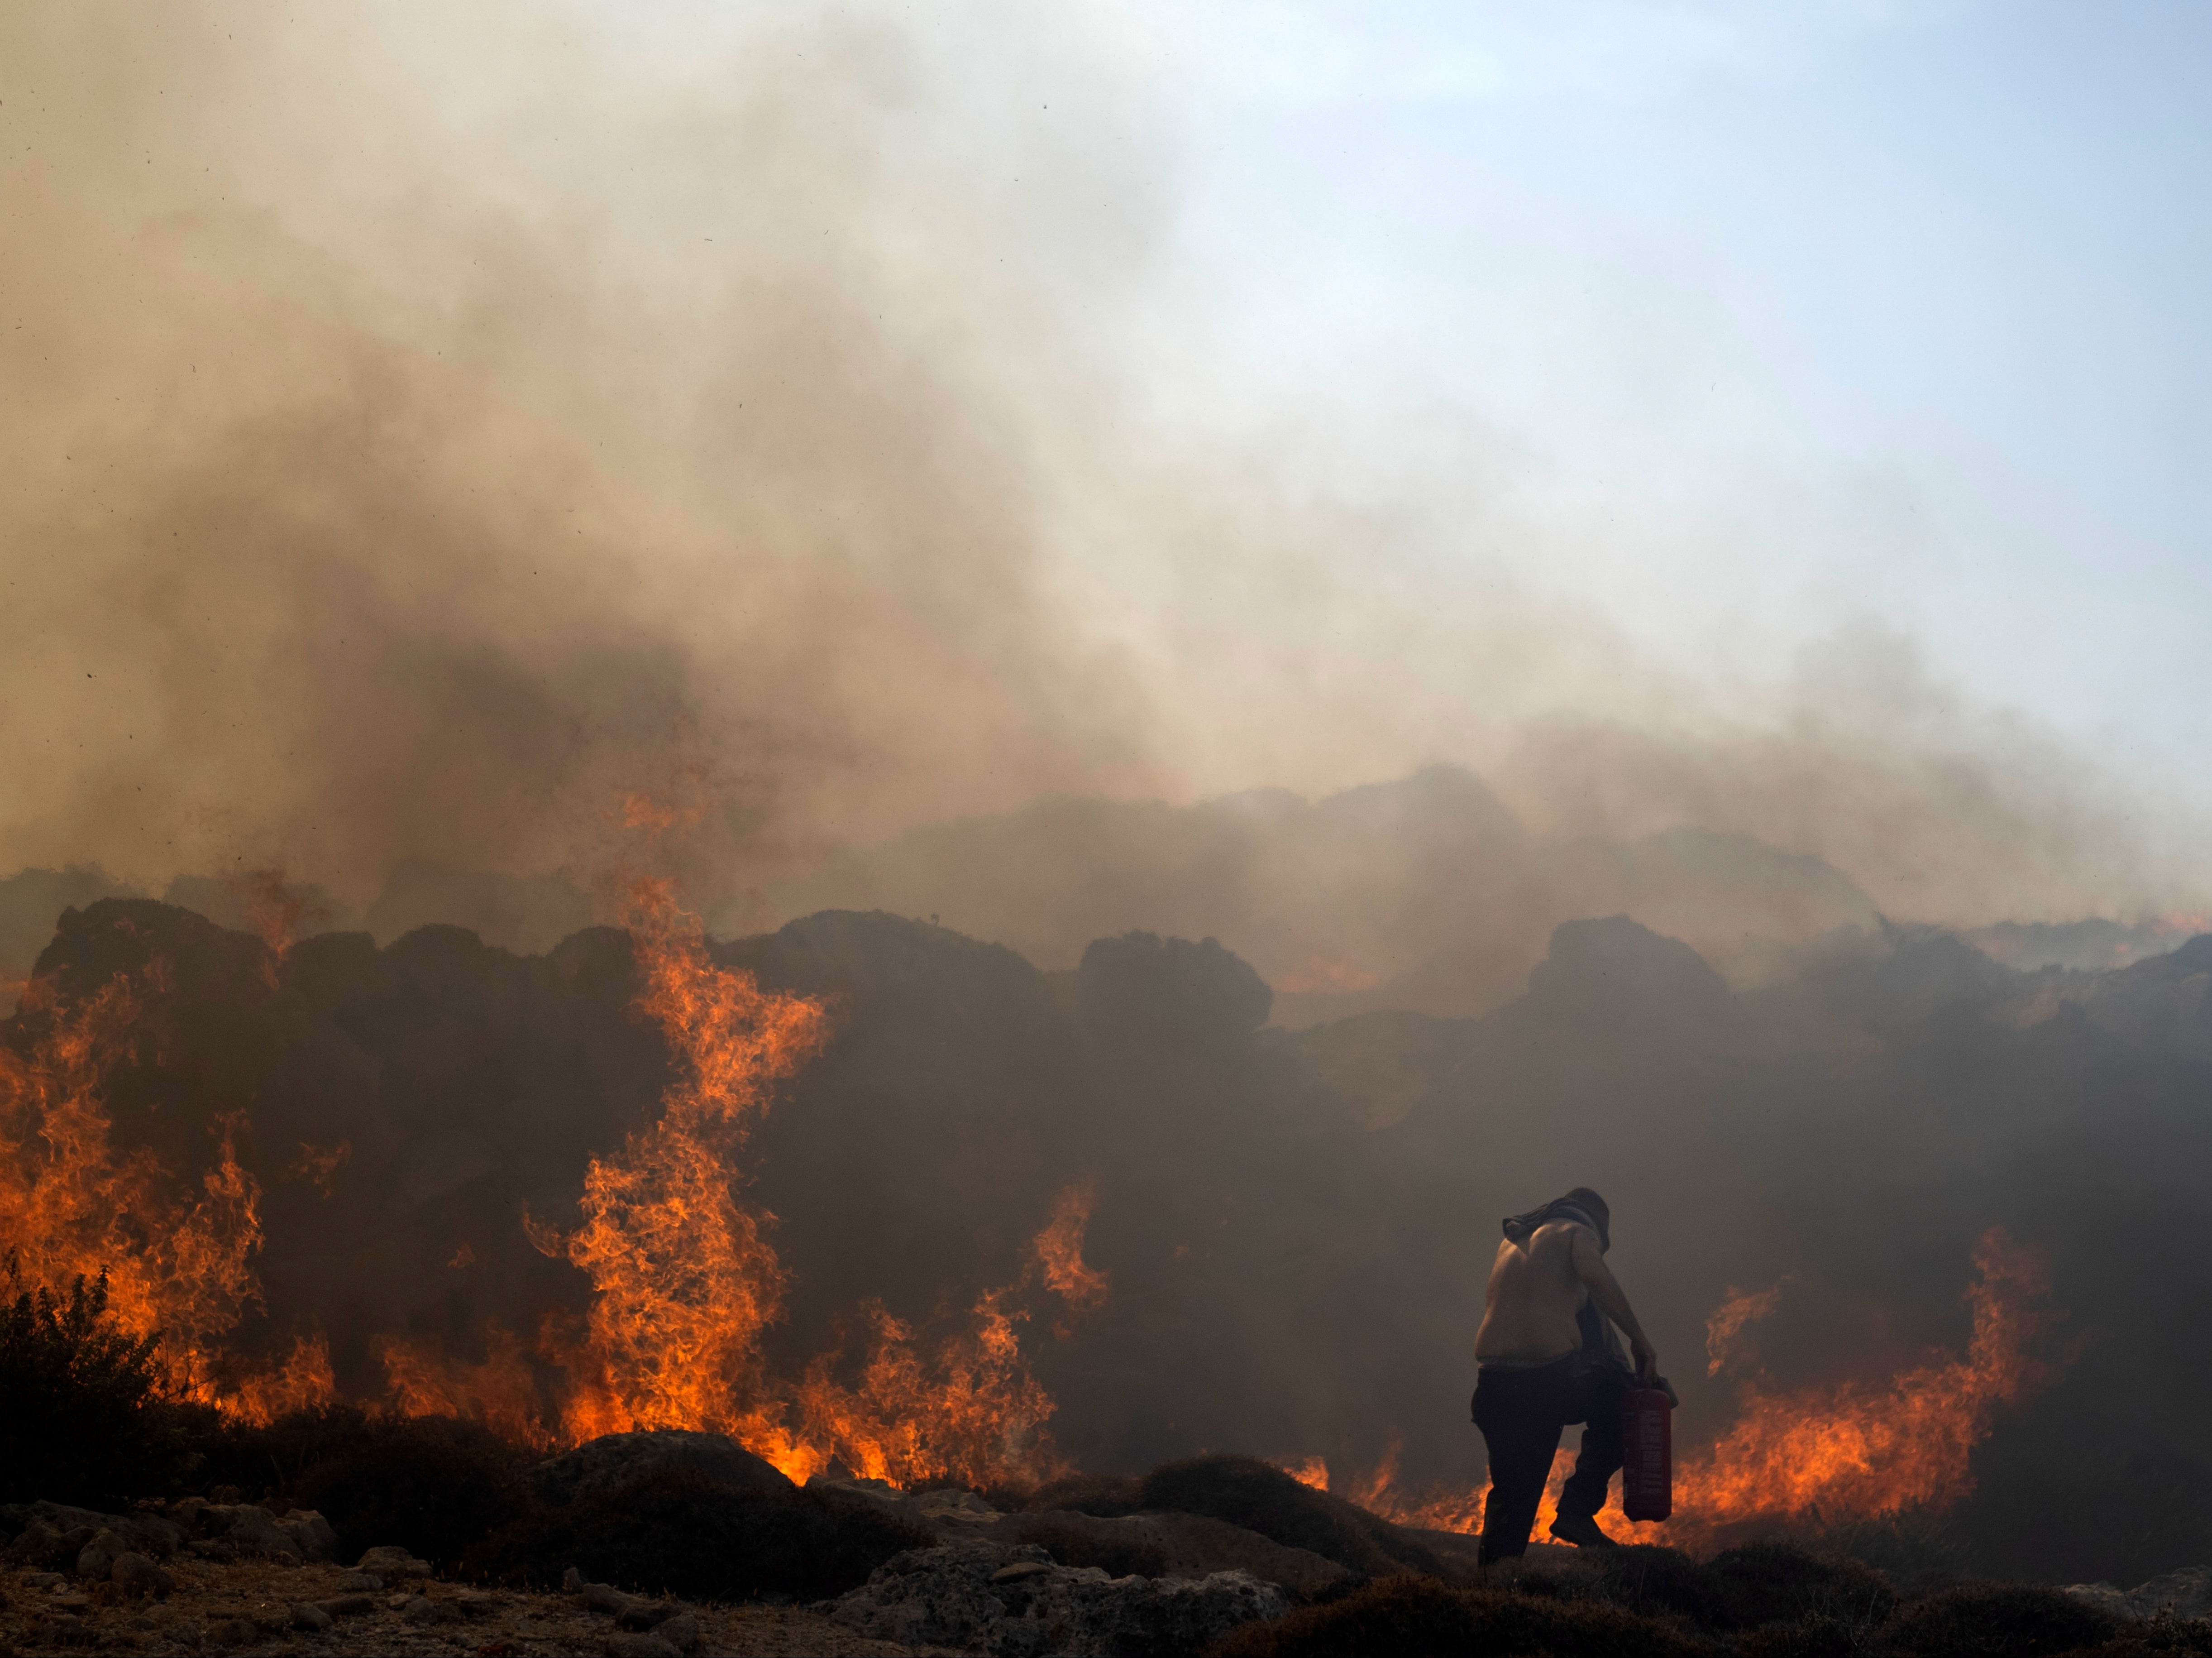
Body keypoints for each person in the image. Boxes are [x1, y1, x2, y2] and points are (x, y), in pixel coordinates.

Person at [1470, 1187, 1659, 1562]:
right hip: (1548, 1381)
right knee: (1629, 1406)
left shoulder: (1513, 1244)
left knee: (1513, 1495)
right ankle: (1576, 1510)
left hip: (1492, 1387)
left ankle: (1492, 1587)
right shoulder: (1576, 1231)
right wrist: (1639, 1340)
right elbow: (1596, 1278)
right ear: (1595, 1227)